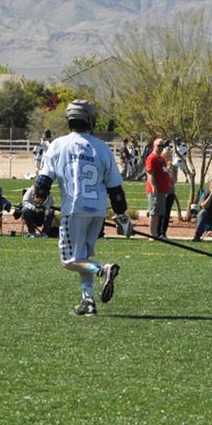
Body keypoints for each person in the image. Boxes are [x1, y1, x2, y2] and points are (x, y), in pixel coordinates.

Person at [32, 100, 133, 316]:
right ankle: (88, 301)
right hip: (97, 211)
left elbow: (43, 182)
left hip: (73, 209)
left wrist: (38, 197)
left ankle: (102, 269)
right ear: (90, 120)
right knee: (82, 258)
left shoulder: (58, 145)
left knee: (69, 261)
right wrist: (121, 216)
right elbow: (116, 190)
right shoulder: (102, 148)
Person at [146, 137, 171, 237]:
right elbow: (150, 174)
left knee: (158, 213)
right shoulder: (152, 158)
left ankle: (155, 234)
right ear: (154, 146)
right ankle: (152, 235)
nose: (161, 147)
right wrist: (154, 187)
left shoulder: (161, 158)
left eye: (162, 145)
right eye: (159, 145)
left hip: (162, 190)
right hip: (156, 190)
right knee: (154, 212)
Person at [160, 146, 184, 237]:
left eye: (169, 156)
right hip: (161, 192)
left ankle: (163, 232)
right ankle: (157, 231)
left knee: (167, 213)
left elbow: (174, 181)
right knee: (160, 213)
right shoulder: (160, 166)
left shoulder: (174, 167)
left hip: (170, 192)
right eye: (166, 156)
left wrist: (170, 171)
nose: (168, 158)